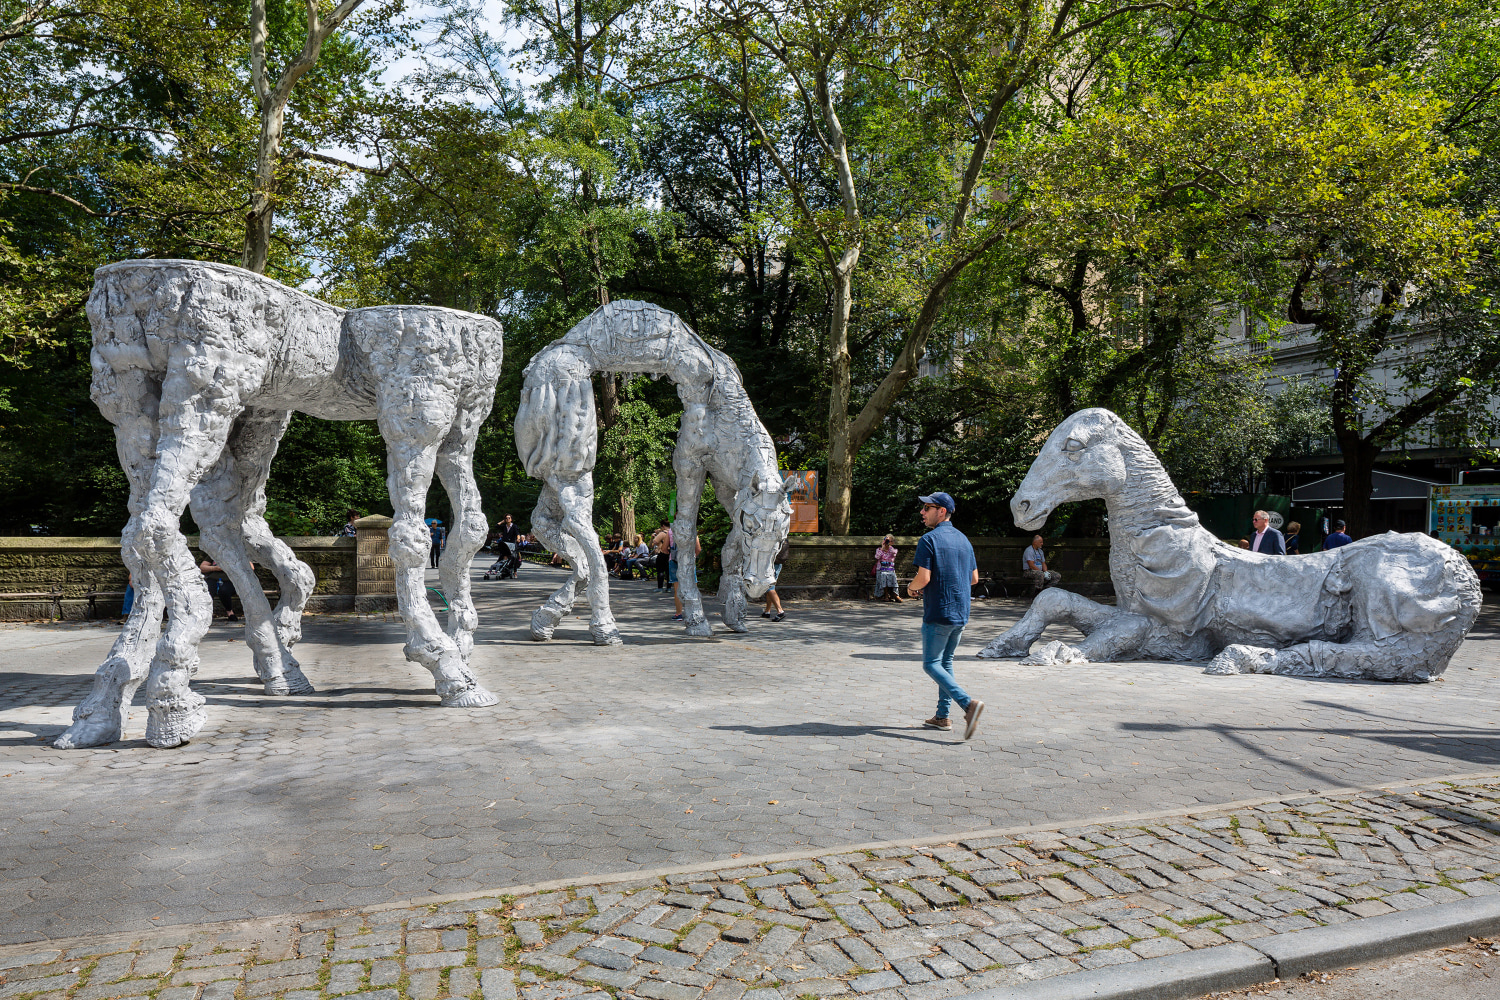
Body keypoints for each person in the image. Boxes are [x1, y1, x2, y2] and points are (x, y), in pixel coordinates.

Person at [907, 492, 984, 741]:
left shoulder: (928, 540)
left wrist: (910, 588)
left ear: (941, 511)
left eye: (927, 508)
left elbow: (923, 578)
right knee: (946, 662)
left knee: (931, 664)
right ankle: (942, 716)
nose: (922, 512)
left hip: (939, 612)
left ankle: (968, 705)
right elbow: (974, 579)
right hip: (961, 613)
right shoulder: (964, 540)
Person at [671, 533, 702, 621]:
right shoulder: (692, 531)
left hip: (675, 561)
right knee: (693, 587)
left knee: (677, 588)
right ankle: (695, 612)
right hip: (689, 561)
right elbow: (698, 549)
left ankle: (679, 613)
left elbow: (664, 549)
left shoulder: (671, 531)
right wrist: (693, 556)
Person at [199, 557, 240, 622]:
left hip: (230, 580)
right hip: (213, 579)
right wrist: (215, 568)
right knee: (207, 591)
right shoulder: (215, 554)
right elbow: (202, 567)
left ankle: (230, 612)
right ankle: (204, 614)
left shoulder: (238, 554)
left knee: (224, 590)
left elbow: (250, 567)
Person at [762, 534, 789, 621]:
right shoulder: (781, 534)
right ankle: (767, 611)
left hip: (770, 563)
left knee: (769, 586)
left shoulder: (770, 535)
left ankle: (780, 611)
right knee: (770, 586)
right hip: (778, 563)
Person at [871, 535, 901, 602]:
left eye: (889, 541)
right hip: (881, 569)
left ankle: (895, 594)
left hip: (890, 569)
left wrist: (889, 547)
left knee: (893, 578)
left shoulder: (893, 550)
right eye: (886, 540)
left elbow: (894, 554)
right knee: (883, 576)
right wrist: (882, 548)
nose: (887, 542)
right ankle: (885, 595)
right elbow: (877, 557)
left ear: (892, 542)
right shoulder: (879, 550)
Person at [651, 520, 672, 590]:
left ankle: (660, 587)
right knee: (668, 571)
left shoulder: (663, 533)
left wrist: (656, 536)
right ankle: (669, 587)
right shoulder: (673, 532)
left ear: (663, 525)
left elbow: (655, 541)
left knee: (660, 570)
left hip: (662, 553)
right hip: (671, 553)